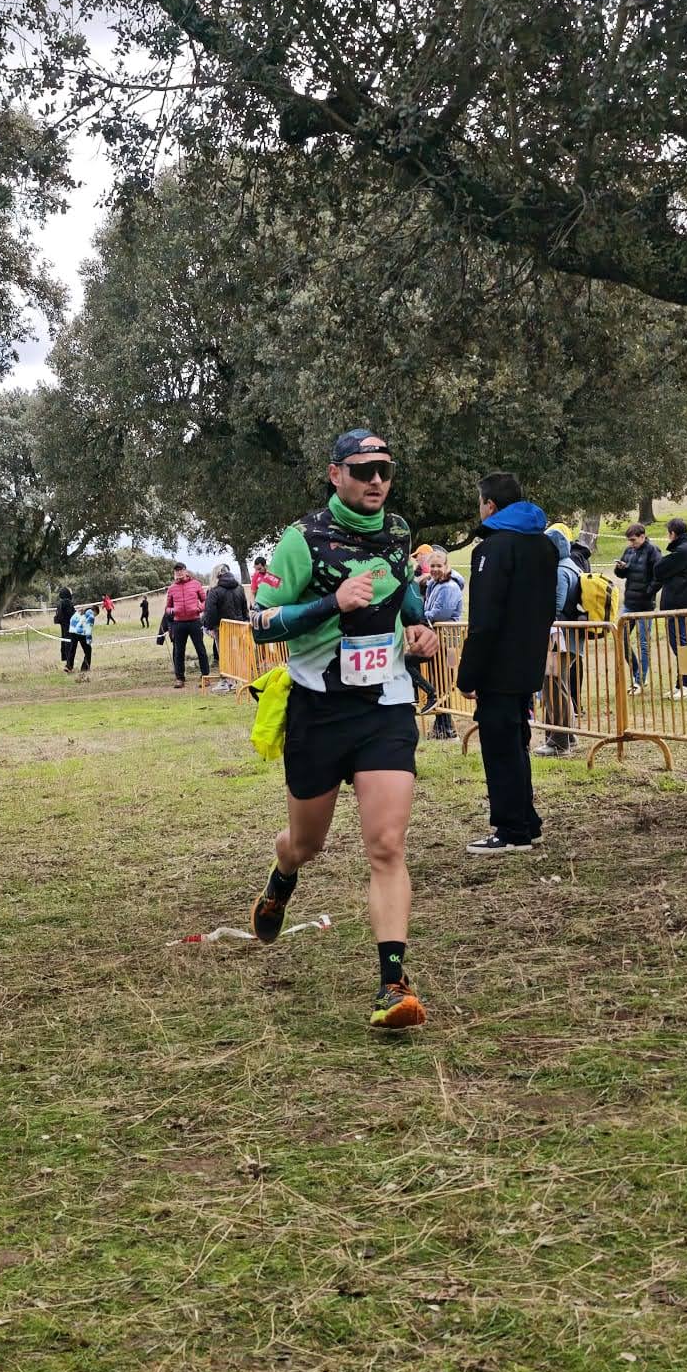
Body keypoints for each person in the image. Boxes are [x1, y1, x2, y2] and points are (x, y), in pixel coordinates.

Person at [250, 429, 436, 1029]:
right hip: (319, 710)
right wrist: (333, 604)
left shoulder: (398, 533)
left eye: (385, 469)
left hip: (385, 704)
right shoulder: (301, 541)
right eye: (362, 470)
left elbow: (405, 597)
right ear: (335, 475)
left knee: (387, 845)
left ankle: (393, 985)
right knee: (307, 844)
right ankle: (283, 878)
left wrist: (420, 629)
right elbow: (259, 623)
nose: (376, 480)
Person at [454, 470, 558, 853]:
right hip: (528, 660)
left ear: (491, 505)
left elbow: (484, 620)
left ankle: (511, 830)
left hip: (498, 666)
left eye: (480, 503)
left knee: (500, 748)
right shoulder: (544, 545)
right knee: (517, 743)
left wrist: (468, 674)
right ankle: (527, 820)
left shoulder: (492, 549)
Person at [537, 524, 587, 756]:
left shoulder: (559, 571)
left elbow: (554, 608)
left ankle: (559, 742)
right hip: (569, 638)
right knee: (559, 685)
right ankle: (567, 736)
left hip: (558, 639)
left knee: (554, 687)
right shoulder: (572, 567)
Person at [654, 516, 687, 698]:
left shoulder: (683, 551)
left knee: (681, 644)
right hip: (685, 601)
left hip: (677, 603)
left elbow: (659, 569)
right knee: (681, 643)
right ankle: (681, 684)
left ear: (673, 533)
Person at [416, 548, 464, 738]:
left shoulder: (449, 587)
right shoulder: (434, 584)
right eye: (432, 566)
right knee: (438, 682)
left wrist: (420, 616)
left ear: (446, 566)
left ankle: (447, 729)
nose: (435, 569)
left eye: (439, 565)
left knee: (443, 682)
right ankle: (442, 726)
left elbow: (440, 614)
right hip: (437, 639)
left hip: (447, 641)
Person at [613, 521, 662, 691]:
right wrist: (620, 568)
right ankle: (637, 672)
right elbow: (622, 574)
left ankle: (640, 680)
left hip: (645, 606)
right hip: (629, 604)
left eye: (633, 540)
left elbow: (659, 576)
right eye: (629, 540)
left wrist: (648, 592)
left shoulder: (653, 551)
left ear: (643, 536)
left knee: (643, 644)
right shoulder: (629, 551)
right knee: (621, 639)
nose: (631, 543)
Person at [163, 563, 209, 687]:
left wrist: (199, 608)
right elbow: (167, 608)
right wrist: (173, 611)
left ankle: (205, 677)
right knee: (178, 651)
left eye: (180, 570)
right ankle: (180, 678)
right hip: (178, 623)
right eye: (176, 571)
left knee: (200, 649)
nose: (178, 573)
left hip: (195, 621)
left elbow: (205, 600)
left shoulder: (196, 584)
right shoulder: (172, 588)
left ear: (185, 571)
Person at [202, 564, 249, 670]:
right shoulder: (239, 588)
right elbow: (244, 607)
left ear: (216, 574)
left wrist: (210, 627)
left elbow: (210, 611)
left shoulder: (214, 590)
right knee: (241, 652)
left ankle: (228, 676)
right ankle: (243, 673)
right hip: (239, 625)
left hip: (222, 627)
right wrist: (246, 620)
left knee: (224, 653)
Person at [68, 600, 96, 678]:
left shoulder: (80, 610)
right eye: (96, 614)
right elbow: (89, 628)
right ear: (95, 611)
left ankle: (68, 666)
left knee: (72, 649)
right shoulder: (91, 615)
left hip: (72, 631)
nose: (95, 616)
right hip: (80, 633)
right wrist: (89, 639)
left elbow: (72, 620)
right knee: (88, 650)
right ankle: (85, 668)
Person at [53, 585, 77, 671]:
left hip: (64, 627)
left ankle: (68, 664)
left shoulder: (60, 603)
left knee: (66, 645)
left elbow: (57, 617)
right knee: (70, 646)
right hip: (70, 627)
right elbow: (72, 615)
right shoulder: (67, 602)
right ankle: (69, 666)